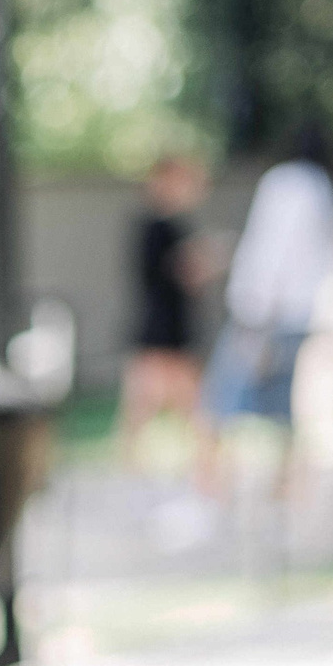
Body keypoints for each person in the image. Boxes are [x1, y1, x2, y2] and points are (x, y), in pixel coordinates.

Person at [199, 121, 333, 498]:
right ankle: (286, 486)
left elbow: (271, 252)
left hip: (262, 312)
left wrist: (257, 311)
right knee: (282, 406)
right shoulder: (322, 187)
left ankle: (214, 485)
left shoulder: (284, 182)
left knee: (224, 399)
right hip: (297, 313)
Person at [118, 154, 211, 468]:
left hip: (165, 327)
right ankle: (207, 466)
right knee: (187, 405)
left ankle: (203, 464)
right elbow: (180, 273)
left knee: (155, 405)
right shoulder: (158, 228)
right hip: (163, 330)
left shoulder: (166, 227)